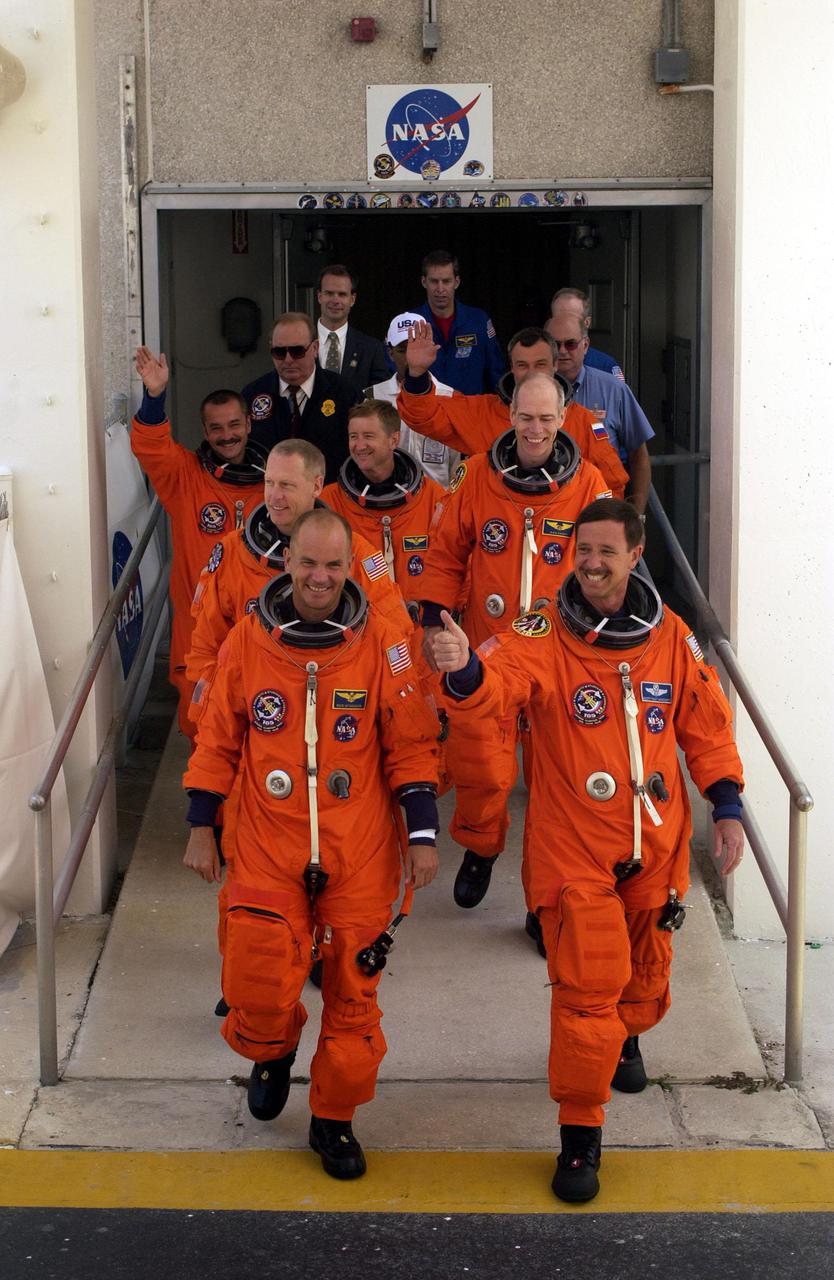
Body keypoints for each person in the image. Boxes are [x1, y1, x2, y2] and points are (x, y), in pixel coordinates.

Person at [432, 497, 745, 1203]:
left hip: (656, 848)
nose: (594, 564)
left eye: (608, 551)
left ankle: (628, 1034)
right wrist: (464, 673)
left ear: (637, 556)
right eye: (584, 551)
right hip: (575, 852)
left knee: (643, 983)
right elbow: (497, 684)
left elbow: (706, 728)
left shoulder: (668, 634)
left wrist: (725, 807)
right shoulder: (543, 628)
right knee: (586, 989)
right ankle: (581, 1136)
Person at [183, 508, 440, 1181]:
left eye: (333, 565)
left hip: (358, 850)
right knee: (258, 978)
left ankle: (334, 1120)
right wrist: (201, 824)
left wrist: (421, 834)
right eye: (308, 563)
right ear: (286, 563)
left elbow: (410, 743)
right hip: (271, 840)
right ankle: (273, 1049)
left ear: (350, 568)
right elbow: (218, 738)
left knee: (354, 1000)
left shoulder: (383, 642)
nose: (320, 577)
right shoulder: (248, 640)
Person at [419, 374, 612, 908]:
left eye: (547, 419)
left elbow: (605, 567)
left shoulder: (588, 483)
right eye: (526, 417)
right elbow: (445, 553)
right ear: (510, 416)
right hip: (488, 648)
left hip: (558, 655)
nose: (535, 429)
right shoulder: (476, 475)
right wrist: (434, 620)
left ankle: (544, 903)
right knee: (482, 763)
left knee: (559, 784)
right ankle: (481, 847)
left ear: (564, 418)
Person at [186, 439, 414, 698]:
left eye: (287, 485)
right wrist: (221, 701)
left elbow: (397, 635)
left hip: (336, 701)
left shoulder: (355, 555)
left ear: (317, 486)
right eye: (269, 482)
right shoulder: (233, 553)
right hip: (259, 707)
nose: (274, 496)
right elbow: (206, 647)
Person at [131, 346, 266, 737]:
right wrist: (155, 397)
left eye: (234, 425)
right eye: (217, 428)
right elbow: (151, 447)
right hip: (200, 635)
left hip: (260, 630)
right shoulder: (186, 478)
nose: (227, 435)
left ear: (249, 425)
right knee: (206, 742)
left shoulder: (274, 483)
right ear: (205, 432)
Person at [397, 323, 629, 498]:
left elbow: (612, 486)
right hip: (497, 532)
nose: (531, 373)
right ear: (511, 368)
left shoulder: (582, 421)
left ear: (555, 365)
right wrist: (416, 374)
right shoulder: (482, 413)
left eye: (540, 364)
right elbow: (424, 416)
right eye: (522, 365)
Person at [321, 401, 445, 605]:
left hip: (422, 631)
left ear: (393, 439)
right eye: (353, 437)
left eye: (369, 436)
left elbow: (456, 564)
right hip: (361, 627)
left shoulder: (432, 497)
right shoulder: (329, 503)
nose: (359, 446)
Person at [545, 313, 653, 513]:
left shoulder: (614, 389)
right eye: (554, 344)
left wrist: (637, 516)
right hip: (547, 510)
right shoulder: (529, 392)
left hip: (602, 509)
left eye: (570, 344)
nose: (562, 351)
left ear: (585, 346)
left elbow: (639, 455)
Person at [242, 313, 358, 483]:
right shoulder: (253, 395)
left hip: (328, 498)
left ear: (316, 348)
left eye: (297, 351)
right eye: (279, 352)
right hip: (270, 499)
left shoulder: (344, 393)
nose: (288, 359)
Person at [366, 312, 459, 487]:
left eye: (417, 347)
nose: (411, 356)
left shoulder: (450, 397)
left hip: (437, 501)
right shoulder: (371, 398)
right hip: (385, 499)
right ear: (390, 353)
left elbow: (458, 465)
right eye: (403, 350)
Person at [412, 250, 506, 394]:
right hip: (426, 413)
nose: (440, 289)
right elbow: (396, 375)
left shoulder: (478, 320)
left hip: (470, 413)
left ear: (457, 282)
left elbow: (496, 373)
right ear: (424, 282)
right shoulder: (410, 323)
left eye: (446, 281)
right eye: (434, 281)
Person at [316, 265, 391, 397]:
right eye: (329, 293)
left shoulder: (371, 349)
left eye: (342, 294)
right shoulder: (299, 343)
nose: (335, 300)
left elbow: (380, 397)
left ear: (352, 299)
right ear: (319, 296)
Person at [550, 287, 624, 379]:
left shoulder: (605, 366)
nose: (565, 325)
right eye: (559, 319)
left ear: (587, 323)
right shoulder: (537, 362)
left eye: (571, 320)